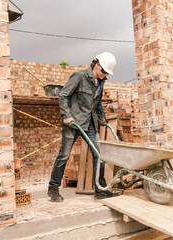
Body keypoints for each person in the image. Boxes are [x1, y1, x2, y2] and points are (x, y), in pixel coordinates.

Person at [47, 52, 118, 202]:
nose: (105, 75)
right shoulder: (79, 76)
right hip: (73, 123)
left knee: (99, 155)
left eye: (107, 73)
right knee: (64, 155)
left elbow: (97, 102)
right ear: (97, 65)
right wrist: (66, 115)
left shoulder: (101, 81)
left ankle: (100, 189)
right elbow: (63, 95)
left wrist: (101, 116)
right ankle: (53, 188)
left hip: (90, 123)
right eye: (103, 71)